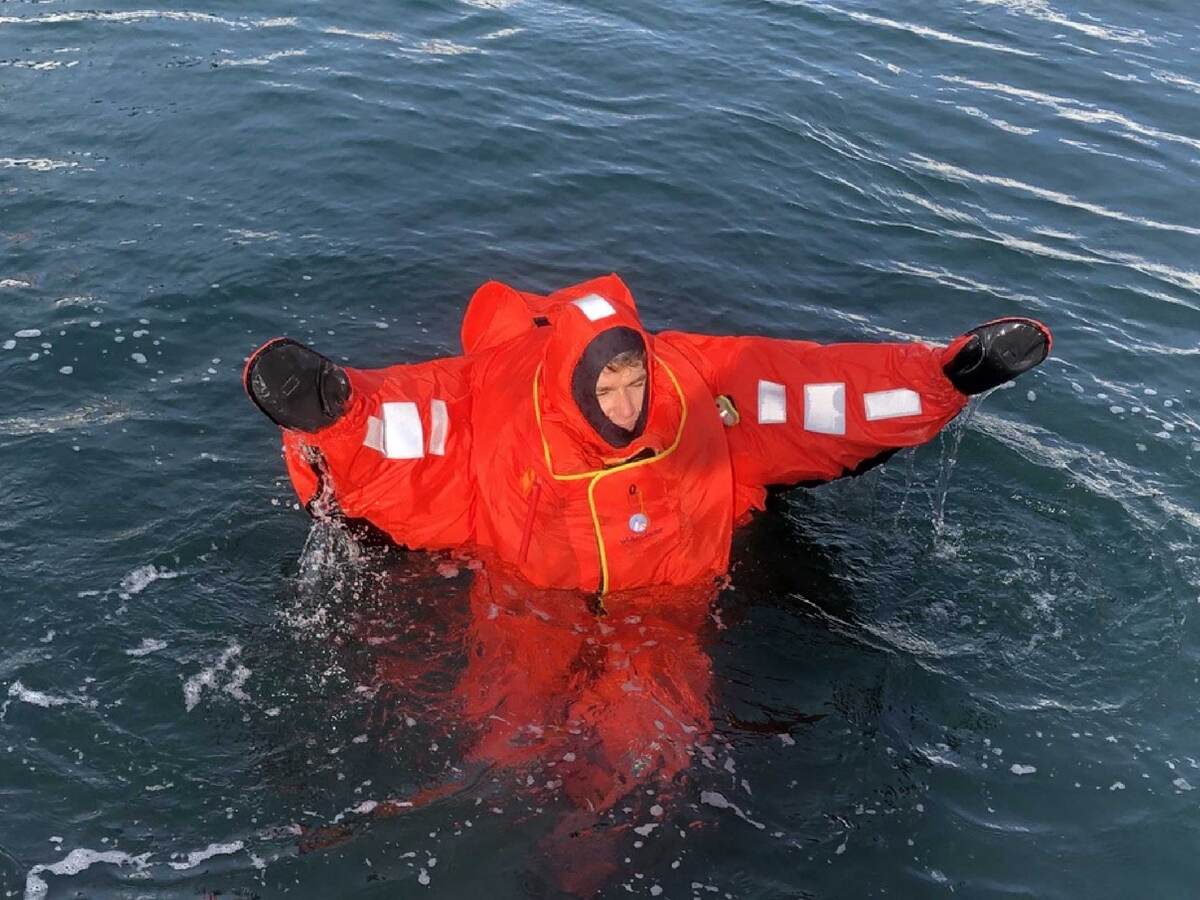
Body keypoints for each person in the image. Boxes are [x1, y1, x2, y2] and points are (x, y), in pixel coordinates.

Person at [244, 274, 1050, 602]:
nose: (627, 402)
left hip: (672, 608)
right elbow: (406, 424)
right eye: (607, 385)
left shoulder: (693, 383)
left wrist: (946, 377)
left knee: (654, 768)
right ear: (565, 378)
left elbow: (813, 391)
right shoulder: (495, 399)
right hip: (533, 609)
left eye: (633, 379)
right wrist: (334, 411)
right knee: (517, 746)